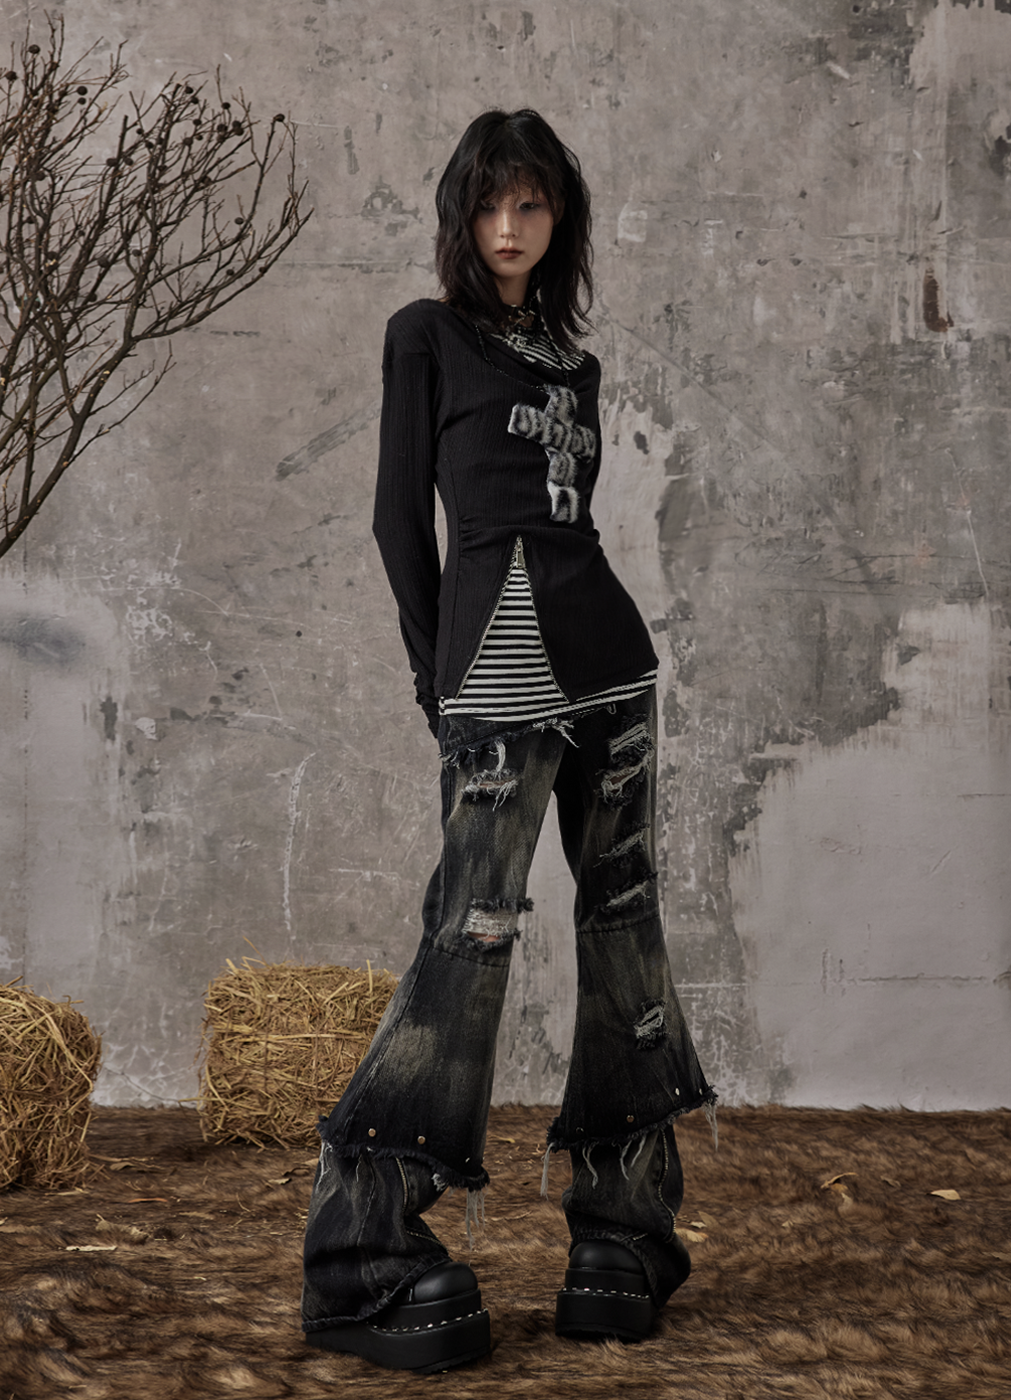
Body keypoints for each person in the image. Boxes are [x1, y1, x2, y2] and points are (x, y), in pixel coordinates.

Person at [300, 108, 715, 1374]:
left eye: (530, 204)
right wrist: (442, 684)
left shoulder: (572, 364)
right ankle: (364, 1245)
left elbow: (571, 522)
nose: (509, 226)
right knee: (468, 935)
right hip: (497, 664)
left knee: (625, 922)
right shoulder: (423, 336)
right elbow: (397, 523)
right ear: (461, 216)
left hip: (609, 660)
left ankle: (624, 1229)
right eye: (489, 205)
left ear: (558, 216)